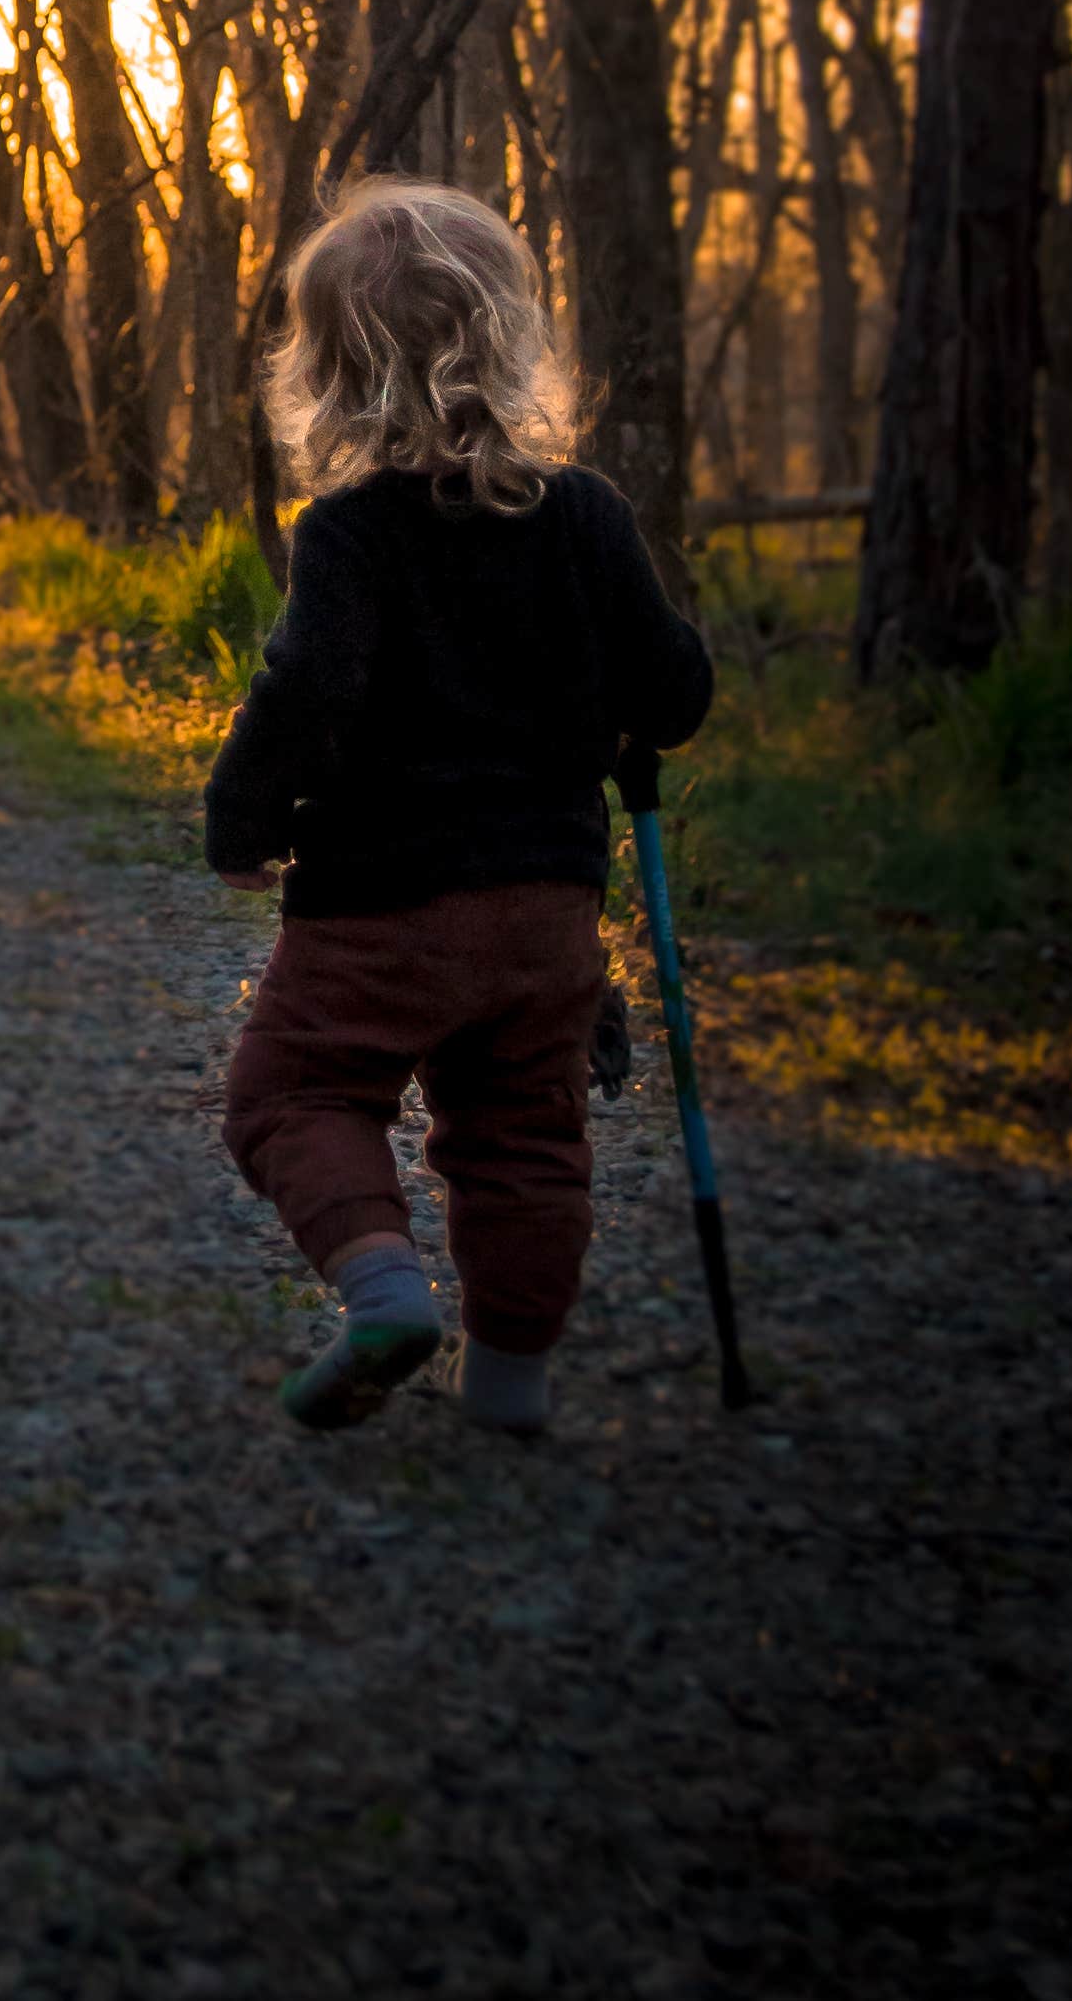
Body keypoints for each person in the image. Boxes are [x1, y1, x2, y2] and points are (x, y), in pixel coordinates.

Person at [208, 174, 712, 1438]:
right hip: (544, 910)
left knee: (293, 1093)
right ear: (512, 343)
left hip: (380, 900)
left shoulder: (353, 533)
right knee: (521, 1132)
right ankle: (510, 1384)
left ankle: (382, 1292)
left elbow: (306, 684)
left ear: (324, 375)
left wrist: (244, 816)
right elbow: (674, 689)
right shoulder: (586, 517)